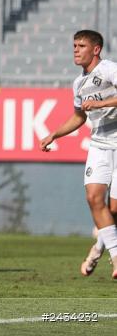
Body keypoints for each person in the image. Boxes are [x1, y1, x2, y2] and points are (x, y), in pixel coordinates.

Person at [40, 29, 117, 278]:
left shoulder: (109, 69)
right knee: (94, 199)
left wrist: (101, 103)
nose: (75, 50)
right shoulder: (78, 83)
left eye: (81, 46)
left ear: (96, 49)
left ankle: (97, 249)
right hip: (99, 144)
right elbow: (78, 117)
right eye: (74, 45)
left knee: (114, 210)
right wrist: (54, 135)